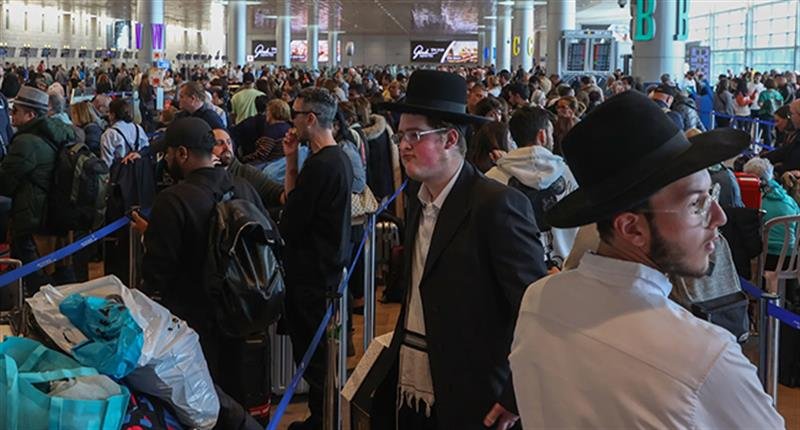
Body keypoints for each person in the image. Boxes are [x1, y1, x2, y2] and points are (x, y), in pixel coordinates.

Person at [509, 90, 784, 429]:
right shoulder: (704, 358)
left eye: (711, 194)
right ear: (632, 228)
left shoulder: (539, 299)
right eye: (697, 203)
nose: (719, 217)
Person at [369, 70, 548, 429]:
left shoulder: (496, 204)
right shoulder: (419, 199)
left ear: (450, 139)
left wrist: (514, 394)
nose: (403, 146)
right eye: (401, 136)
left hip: (476, 396)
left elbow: (533, 308)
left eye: (415, 135)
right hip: (415, 382)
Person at [133, 118, 268, 405]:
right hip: (243, 314)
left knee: (201, 403)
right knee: (237, 398)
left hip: (193, 325)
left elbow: (158, 271)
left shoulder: (173, 200)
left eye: (168, 153)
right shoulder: (244, 187)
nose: (166, 160)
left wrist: (149, 237)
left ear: (182, 153)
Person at [280, 87, 353, 430]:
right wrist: (291, 160)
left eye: (295, 115)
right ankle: (321, 417)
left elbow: (291, 218)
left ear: (310, 119)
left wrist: (292, 168)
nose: (291, 122)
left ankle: (323, 420)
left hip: (311, 276)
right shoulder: (338, 159)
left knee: (315, 357)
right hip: (325, 271)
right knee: (319, 356)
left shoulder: (322, 166)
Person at [0, 86, 75, 293]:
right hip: (56, 216)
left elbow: (5, 182)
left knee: (35, 282)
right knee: (59, 276)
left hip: (31, 218)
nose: (11, 115)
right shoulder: (59, 133)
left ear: (31, 115)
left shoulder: (26, 142)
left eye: (16, 111)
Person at [486, 106, 579, 267]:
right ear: (542, 135)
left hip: (510, 271)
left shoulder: (490, 180)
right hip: (565, 270)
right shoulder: (572, 175)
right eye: (551, 134)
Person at [99, 98, 149, 167]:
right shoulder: (138, 128)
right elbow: (146, 148)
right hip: (139, 169)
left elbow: (107, 162)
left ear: (113, 115)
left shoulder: (109, 134)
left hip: (120, 171)